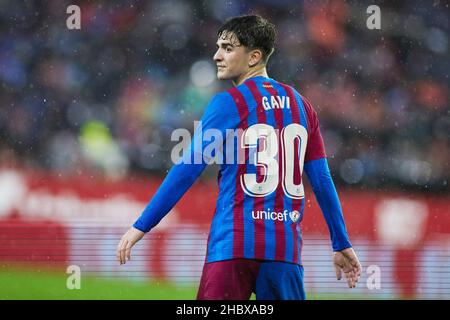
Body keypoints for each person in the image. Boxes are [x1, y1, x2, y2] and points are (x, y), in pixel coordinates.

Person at [116, 14, 361, 300]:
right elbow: (321, 179)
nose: (217, 55)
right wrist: (340, 240)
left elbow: (188, 168)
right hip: (284, 254)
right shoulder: (302, 106)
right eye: (219, 46)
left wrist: (142, 224)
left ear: (254, 56)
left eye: (228, 48)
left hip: (233, 246)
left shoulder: (229, 102)